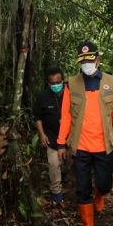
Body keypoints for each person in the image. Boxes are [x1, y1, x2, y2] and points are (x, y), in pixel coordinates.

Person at [57, 41, 113, 226]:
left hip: (104, 145)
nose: (87, 64)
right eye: (83, 61)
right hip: (80, 147)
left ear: (98, 59)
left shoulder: (112, 82)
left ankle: (100, 194)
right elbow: (66, 117)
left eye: (90, 60)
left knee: (104, 184)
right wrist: (61, 144)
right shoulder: (71, 84)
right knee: (82, 188)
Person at [33, 66, 66, 205]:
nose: (56, 85)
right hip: (51, 137)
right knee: (53, 164)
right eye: (52, 83)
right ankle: (56, 193)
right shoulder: (42, 97)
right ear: (48, 83)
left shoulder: (71, 95)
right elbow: (38, 117)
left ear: (63, 80)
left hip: (69, 138)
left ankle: (64, 178)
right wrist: (41, 134)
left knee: (67, 163)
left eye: (58, 82)